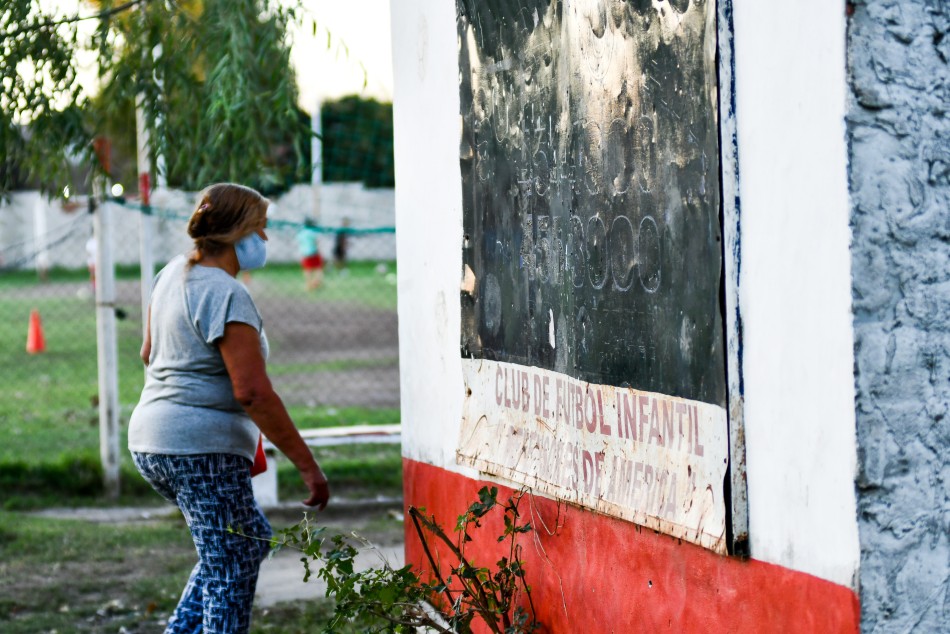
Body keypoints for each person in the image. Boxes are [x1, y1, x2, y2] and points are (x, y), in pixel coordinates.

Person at [128, 183, 330, 634]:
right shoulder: (225, 293)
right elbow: (253, 393)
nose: (266, 238)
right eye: (260, 228)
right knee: (230, 567)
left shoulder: (171, 273)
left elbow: (147, 352)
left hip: (151, 441)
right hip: (200, 450)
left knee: (243, 543)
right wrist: (308, 466)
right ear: (238, 232)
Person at [296, 218, 325, 290]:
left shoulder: (301, 233)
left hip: (305, 253)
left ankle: (308, 284)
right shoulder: (312, 232)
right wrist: (320, 252)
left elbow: (299, 243)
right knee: (318, 268)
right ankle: (316, 282)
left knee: (307, 269)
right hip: (314, 252)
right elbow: (316, 242)